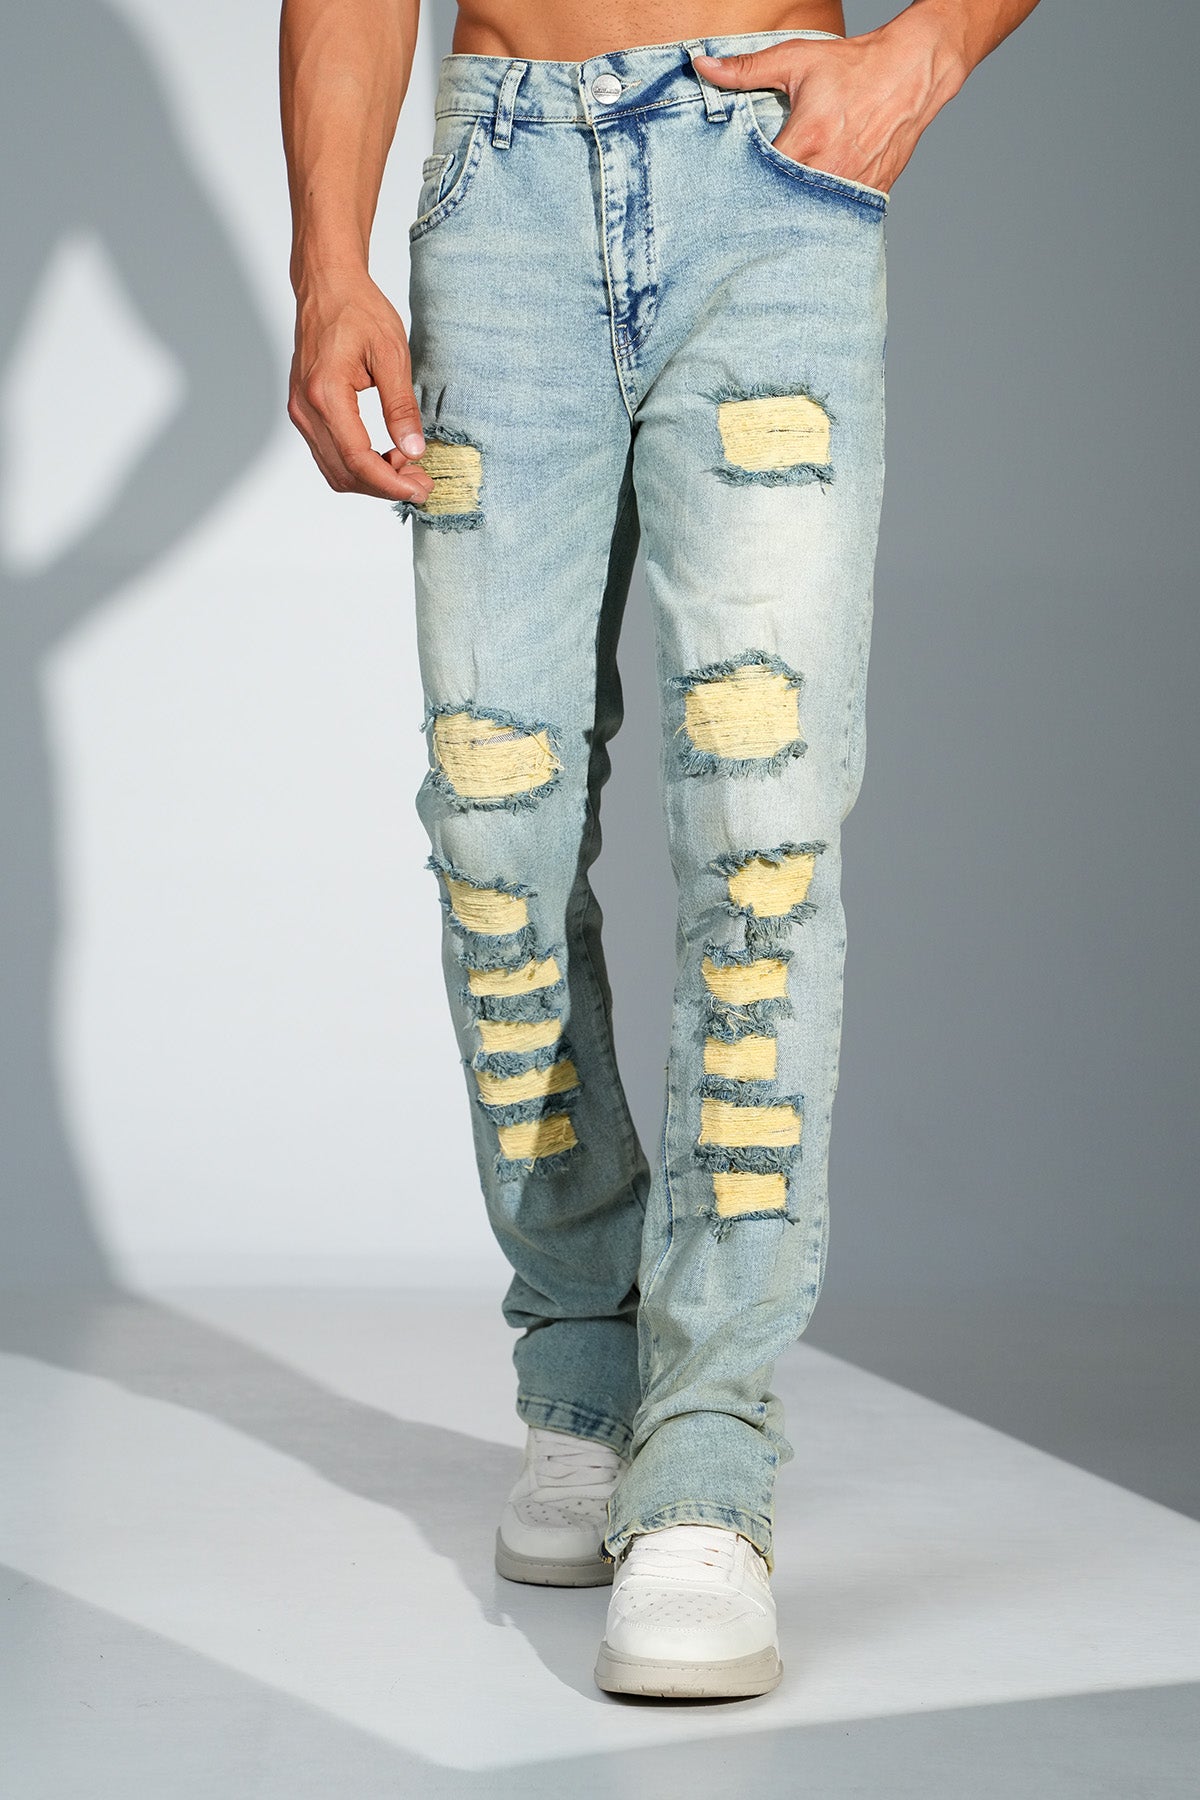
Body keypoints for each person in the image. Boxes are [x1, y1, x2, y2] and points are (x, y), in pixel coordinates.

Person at [281, 0, 1040, 1700]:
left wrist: (923, 53)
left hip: (762, 189)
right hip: (502, 193)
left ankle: (707, 1448)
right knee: (496, 821)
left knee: (760, 827)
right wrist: (329, 264)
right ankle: (583, 1366)